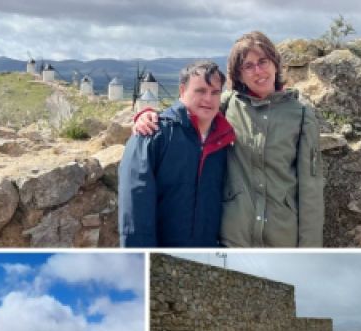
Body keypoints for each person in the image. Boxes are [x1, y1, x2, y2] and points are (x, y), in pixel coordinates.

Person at [134, 31, 324, 247]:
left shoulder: (300, 115)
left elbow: (311, 189)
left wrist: (309, 247)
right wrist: (148, 115)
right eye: (248, 66)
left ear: (275, 63)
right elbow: (188, 110)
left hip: (282, 236)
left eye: (263, 61)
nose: (258, 71)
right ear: (239, 74)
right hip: (233, 236)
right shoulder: (226, 105)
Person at [118, 60, 235, 247]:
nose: (209, 99)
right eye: (200, 91)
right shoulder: (152, 135)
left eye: (215, 92)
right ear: (182, 91)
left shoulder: (223, 142)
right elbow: (134, 215)